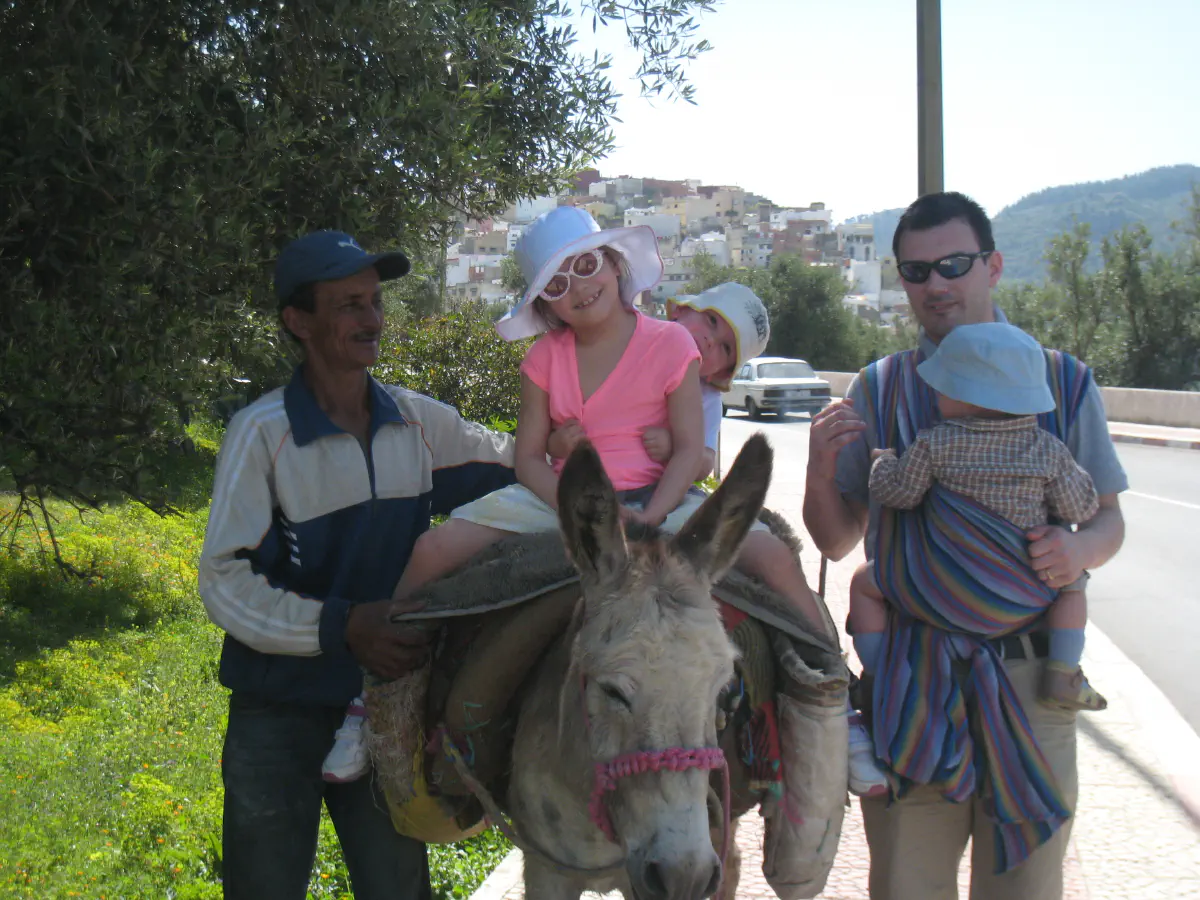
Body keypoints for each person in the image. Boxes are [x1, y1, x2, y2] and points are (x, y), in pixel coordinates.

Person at [803, 192, 1127, 898]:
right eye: (916, 271)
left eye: (953, 264)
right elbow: (835, 539)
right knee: (907, 885)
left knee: (1025, 885)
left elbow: (1108, 520)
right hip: (913, 685)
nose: (936, 284)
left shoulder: (1065, 381)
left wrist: (1079, 553)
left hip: (1032, 680)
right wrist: (819, 471)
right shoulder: (878, 388)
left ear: (993, 266)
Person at [198, 230, 517, 900]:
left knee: (397, 885)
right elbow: (224, 580)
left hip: (385, 708)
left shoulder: (416, 424)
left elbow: (520, 464)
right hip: (277, 710)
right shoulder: (262, 435)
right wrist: (342, 625)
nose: (371, 318)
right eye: (348, 304)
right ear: (299, 321)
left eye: (374, 301)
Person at [849, 322, 1107, 713]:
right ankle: (1063, 671)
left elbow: (899, 494)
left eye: (943, 387)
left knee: (864, 584)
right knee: (1073, 584)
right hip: (1023, 596)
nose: (934, 393)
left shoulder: (935, 443)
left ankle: (876, 677)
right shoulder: (1048, 450)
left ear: (970, 398)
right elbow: (1079, 509)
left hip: (940, 590)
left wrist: (882, 462)